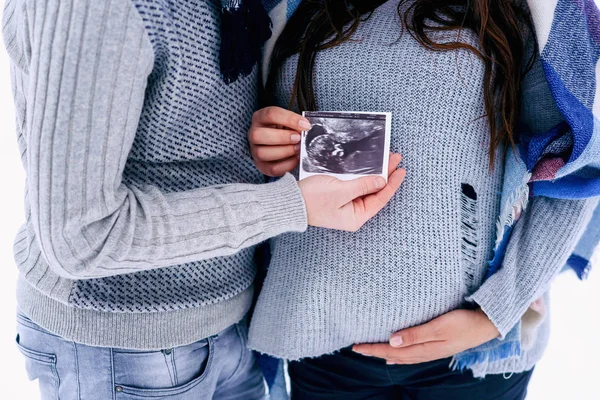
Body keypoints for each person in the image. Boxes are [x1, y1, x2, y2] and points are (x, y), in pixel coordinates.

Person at [3, 0, 405, 398]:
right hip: (119, 343)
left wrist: (263, 137)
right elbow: (80, 236)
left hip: (231, 322)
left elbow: (192, 114)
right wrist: (289, 205)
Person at [248, 0, 600, 399]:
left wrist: (495, 314)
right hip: (322, 349)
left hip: (468, 363)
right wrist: (264, 144)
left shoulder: (522, 11)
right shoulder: (284, 9)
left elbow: (575, 170)